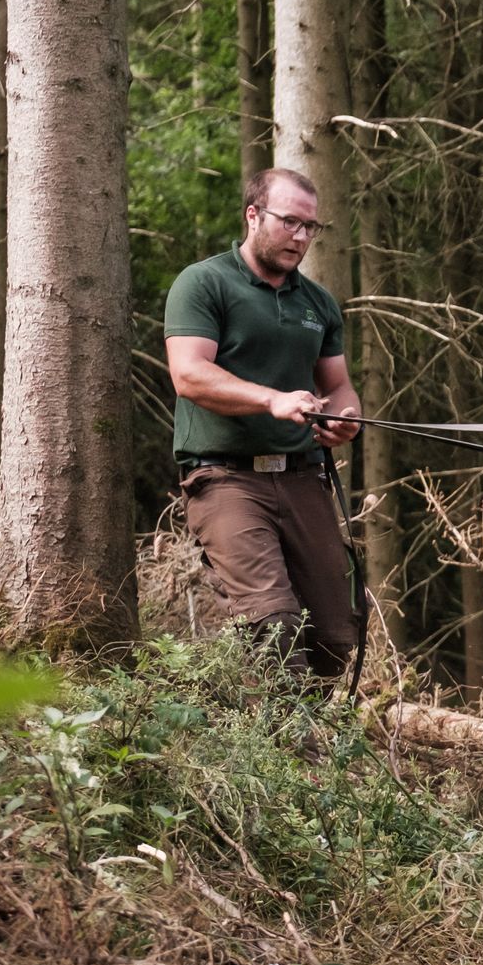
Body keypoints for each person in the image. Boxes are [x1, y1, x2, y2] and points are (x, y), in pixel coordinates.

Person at [163, 167, 363, 676]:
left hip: (302, 477)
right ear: (253, 215)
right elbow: (189, 375)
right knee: (271, 626)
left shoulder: (318, 303)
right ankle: (288, 748)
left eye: (310, 227)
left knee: (335, 637)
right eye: (290, 222)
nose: (301, 237)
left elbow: (338, 386)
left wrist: (344, 418)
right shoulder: (204, 282)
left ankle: (301, 744)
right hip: (226, 478)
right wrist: (271, 400)